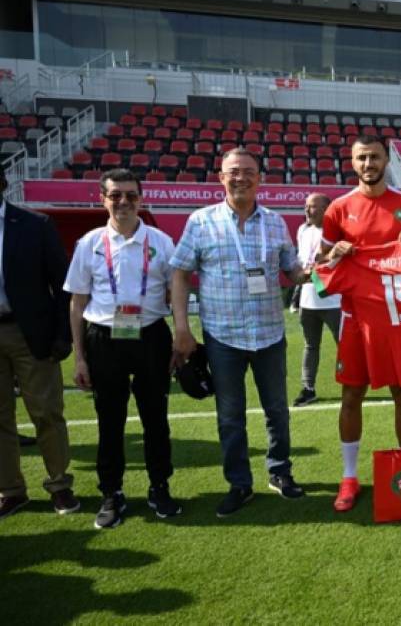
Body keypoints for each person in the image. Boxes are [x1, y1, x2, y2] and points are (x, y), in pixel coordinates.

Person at [170, 147, 312, 518]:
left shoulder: (276, 222)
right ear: (221, 177)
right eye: (234, 171)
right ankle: (240, 483)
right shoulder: (200, 222)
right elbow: (181, 274)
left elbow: (291, 270)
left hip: (269, 334)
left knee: (277, 410)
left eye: (249, 171)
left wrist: (308, 272)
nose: (241, 178)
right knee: (230, 414)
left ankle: (279, 471)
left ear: (259, 178)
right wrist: (182, 327)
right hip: (223, 337)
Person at [315, 134, 401, 513]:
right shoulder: (338, 209)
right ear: (353, 162)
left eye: (375, 157)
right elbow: (320, 271)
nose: (369, 164)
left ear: (386, 160)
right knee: (351, 396)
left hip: (398, 320)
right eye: (362, 158)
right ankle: (349, 477)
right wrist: (334, 253)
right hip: (356, 319)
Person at [64, 169, 179, 528]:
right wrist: (80, 356)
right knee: (109, 422)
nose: (124, 202)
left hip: (150, 336)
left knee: (155, 419)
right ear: (103, 199)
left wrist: (179, 336)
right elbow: (77, 303)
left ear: (141, 199)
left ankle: (159, 487)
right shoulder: (90, 243)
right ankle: (111, 493)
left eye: (131, 195)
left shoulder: (161, 241)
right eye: (116, 195)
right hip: (104, 338)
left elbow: (175, 295)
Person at [0, 165, 79, 520]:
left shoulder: (35, 224)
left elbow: (63, 286)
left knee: (46, 412)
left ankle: (59, 485)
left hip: (28, 332)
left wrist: (63, 335)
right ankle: (12, 490)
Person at [293, 193, 340, 407]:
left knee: (346, 346)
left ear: (326, 209)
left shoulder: (340, 232)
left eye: (312, 207)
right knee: (310, 346)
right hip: (308, 301)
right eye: (305, 206)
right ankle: (308, 388)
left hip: (335, 302)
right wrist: (304, 270)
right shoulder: (303, 231)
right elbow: (301, 261)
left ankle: (354, 383)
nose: (307, 211)